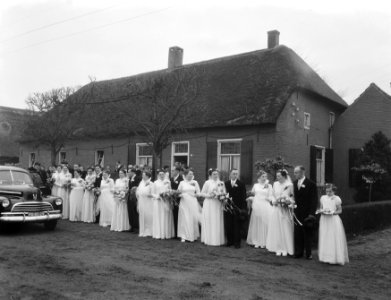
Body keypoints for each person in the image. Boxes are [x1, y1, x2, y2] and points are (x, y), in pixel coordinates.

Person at [318, 184, 349, 265]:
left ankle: (335, 258)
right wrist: (321, 211)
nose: (328, 193)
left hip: (333, 220)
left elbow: (340, 211)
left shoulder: (337, 199)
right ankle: (325, 257)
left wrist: (332, 212)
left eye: (330, 191)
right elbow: (321, 208)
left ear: (334, 191)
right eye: (327, 191)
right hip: (324, 220)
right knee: (325, 237)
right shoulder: (323, 198)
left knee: (332, 237)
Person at [266, 169, 294, 256]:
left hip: (285, 210)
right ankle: (277, 247)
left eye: (279, 176)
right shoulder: (275, 184)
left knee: (285, 228)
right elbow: (272, 195)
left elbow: (292, 197)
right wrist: (274, 201)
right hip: (277, 209)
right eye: (277, 176)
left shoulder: (289, 185)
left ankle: (285, 248)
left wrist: (287, 201)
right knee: (277, 228)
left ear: (284, 176)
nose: (277, 178)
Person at [293, 165, 318, 259]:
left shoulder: (311, 184)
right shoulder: (294, 183)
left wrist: (311, 213)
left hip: (307, 212)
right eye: (294, 172)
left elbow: (314, 199)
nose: (294, 174)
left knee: (307, 233)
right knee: (297, 233)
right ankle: (298, 252)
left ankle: (308, 253)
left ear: (302, 172)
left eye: (296, 172)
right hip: (297, 212)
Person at [247, 171, 274, 249]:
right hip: (257, 206)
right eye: (263, 176)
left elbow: (271, 196)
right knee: (257, 223)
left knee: (265, 223)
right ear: (259, 177)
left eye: (265, 177)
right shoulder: (255, 185)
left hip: (265, 205)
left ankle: (265, 241)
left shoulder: (269, 186)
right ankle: (257, 241)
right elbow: (253, 194)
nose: (264, 178)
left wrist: (267, 198)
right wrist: (250, 198)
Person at [200, 169, 225, 246]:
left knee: (216, 220)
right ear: (211, 175)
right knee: (209, 220)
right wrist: (209, 195)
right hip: (209, 203)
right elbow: (202, 193)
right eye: (214, 174)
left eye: (217, 174)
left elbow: (224, 193)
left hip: (217, 204)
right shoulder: (207, 183)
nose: (215, 175)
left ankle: (217, 240)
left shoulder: (221, 183)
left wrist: (221, 196)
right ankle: (208, 239)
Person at [177, 169, 202, 242]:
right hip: (184, 202)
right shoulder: (182, 183)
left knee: (192, 218)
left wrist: (194, 195)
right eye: (189, 174)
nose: (191, 175)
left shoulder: (195, 182)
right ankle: (183, 236)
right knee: (184, 217)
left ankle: (192, 235)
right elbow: (178, 192)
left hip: (192, 201)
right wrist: (182, 195)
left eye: (192, 174)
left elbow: (198, 192)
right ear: (186, 174)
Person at [224, 169, 247, 248]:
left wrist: (243, 208)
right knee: (229, 225)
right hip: (228, 207)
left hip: (237, 207)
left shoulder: (241, 184)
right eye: (233, 173)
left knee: (237, 226)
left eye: (236, 174)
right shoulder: (226, 183)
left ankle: (237, 243)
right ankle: (230, 241)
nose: (235, 175)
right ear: (230, 174)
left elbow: (244, 196)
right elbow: (223, 194)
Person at [151, 169, 175, 239]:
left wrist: (168, 194)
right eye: (160, 174)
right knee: (159, 216)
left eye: (163, 174)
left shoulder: (168, 182)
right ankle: (158, 233)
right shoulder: (155, 183)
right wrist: (158, 196)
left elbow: (170, 190)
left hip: (166, 201)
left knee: (165, 216)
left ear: (165, 175)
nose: (161, 176)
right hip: (158, 202)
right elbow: (152, 193)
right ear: (158, 175)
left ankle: (166, 233)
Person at [137, 171, 154, 237]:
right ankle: (143, 231)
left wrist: (148, 195)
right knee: (142, 216)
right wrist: (138, 193)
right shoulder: (141, 183)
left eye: (143, 175)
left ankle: (149, 231)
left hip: (148, 202)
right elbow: (138, 190)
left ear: (147, 176)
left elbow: (152, 193)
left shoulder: (151, 183)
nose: (142, 176)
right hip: (141, 201)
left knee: (148, 216)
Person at [127, 168, 142, 233]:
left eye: (129, 172)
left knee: (135, 212)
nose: (128, 173)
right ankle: (132, 226)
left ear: (133, 172)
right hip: (130, 197)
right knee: (130, 211)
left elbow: (138, 187)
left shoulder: (138, 178)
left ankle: (136, 227)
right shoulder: (130, 179)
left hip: (135, 198)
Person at [170, 166, 183, 238]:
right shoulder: (171, 179)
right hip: (171, 199)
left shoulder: (181, 179)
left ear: (177, 171)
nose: (171, 172)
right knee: (173, 216)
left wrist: (175, 193)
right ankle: (173, 232)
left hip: (178, 200)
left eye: (173, 170)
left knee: (177, 216)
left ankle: (178, 233)